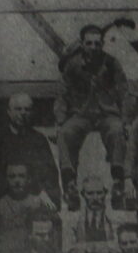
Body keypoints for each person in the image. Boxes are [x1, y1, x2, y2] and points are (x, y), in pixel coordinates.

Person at [52, 20, 131, 194]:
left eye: (97, 43)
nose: (93, 47)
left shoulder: (112, 63)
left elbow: (124, 93)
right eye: (89, 43)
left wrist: (125, 120)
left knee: (117, 130)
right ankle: (69, 182)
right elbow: (62, 94)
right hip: (81, 114)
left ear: (102, 44)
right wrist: (60, 120)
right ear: (82, 44)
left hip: (106, 114)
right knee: (65, 133)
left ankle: (118, 180)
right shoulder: (73, 65)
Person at [0, 92, 58, 197]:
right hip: (5, 197)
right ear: (9, 112)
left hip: (34, 197)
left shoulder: (39, 139)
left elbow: (50, 174)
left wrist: (46, 195)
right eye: (18, 109)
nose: (23, 113)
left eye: (27, 109)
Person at [0, 159, 59, 236]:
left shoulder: (39, 203)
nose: (17, 180)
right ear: (6, 179)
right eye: (12, 176)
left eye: (21, 176)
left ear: (29, 179)